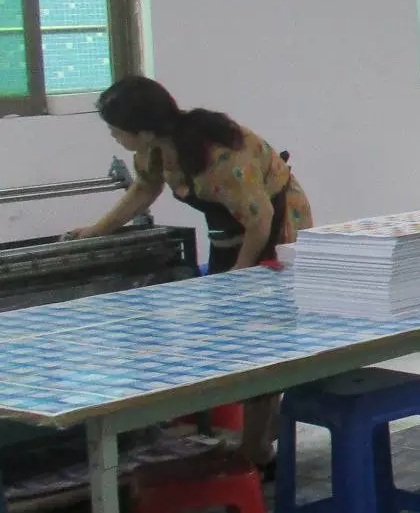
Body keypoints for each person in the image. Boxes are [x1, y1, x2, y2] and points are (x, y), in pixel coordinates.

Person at [71, 76, 314, 465]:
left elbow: (260, 220)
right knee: (232, 335)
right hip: (231, 233)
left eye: (117, 130)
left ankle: (256, 451)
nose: (114, 137)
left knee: (260, 340)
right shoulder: (154, 152)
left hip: (276, 228)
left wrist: (239, 274)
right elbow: (143, 190)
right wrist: (95, 231)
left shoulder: (219, 158)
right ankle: (261, 434)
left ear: (144, 129)